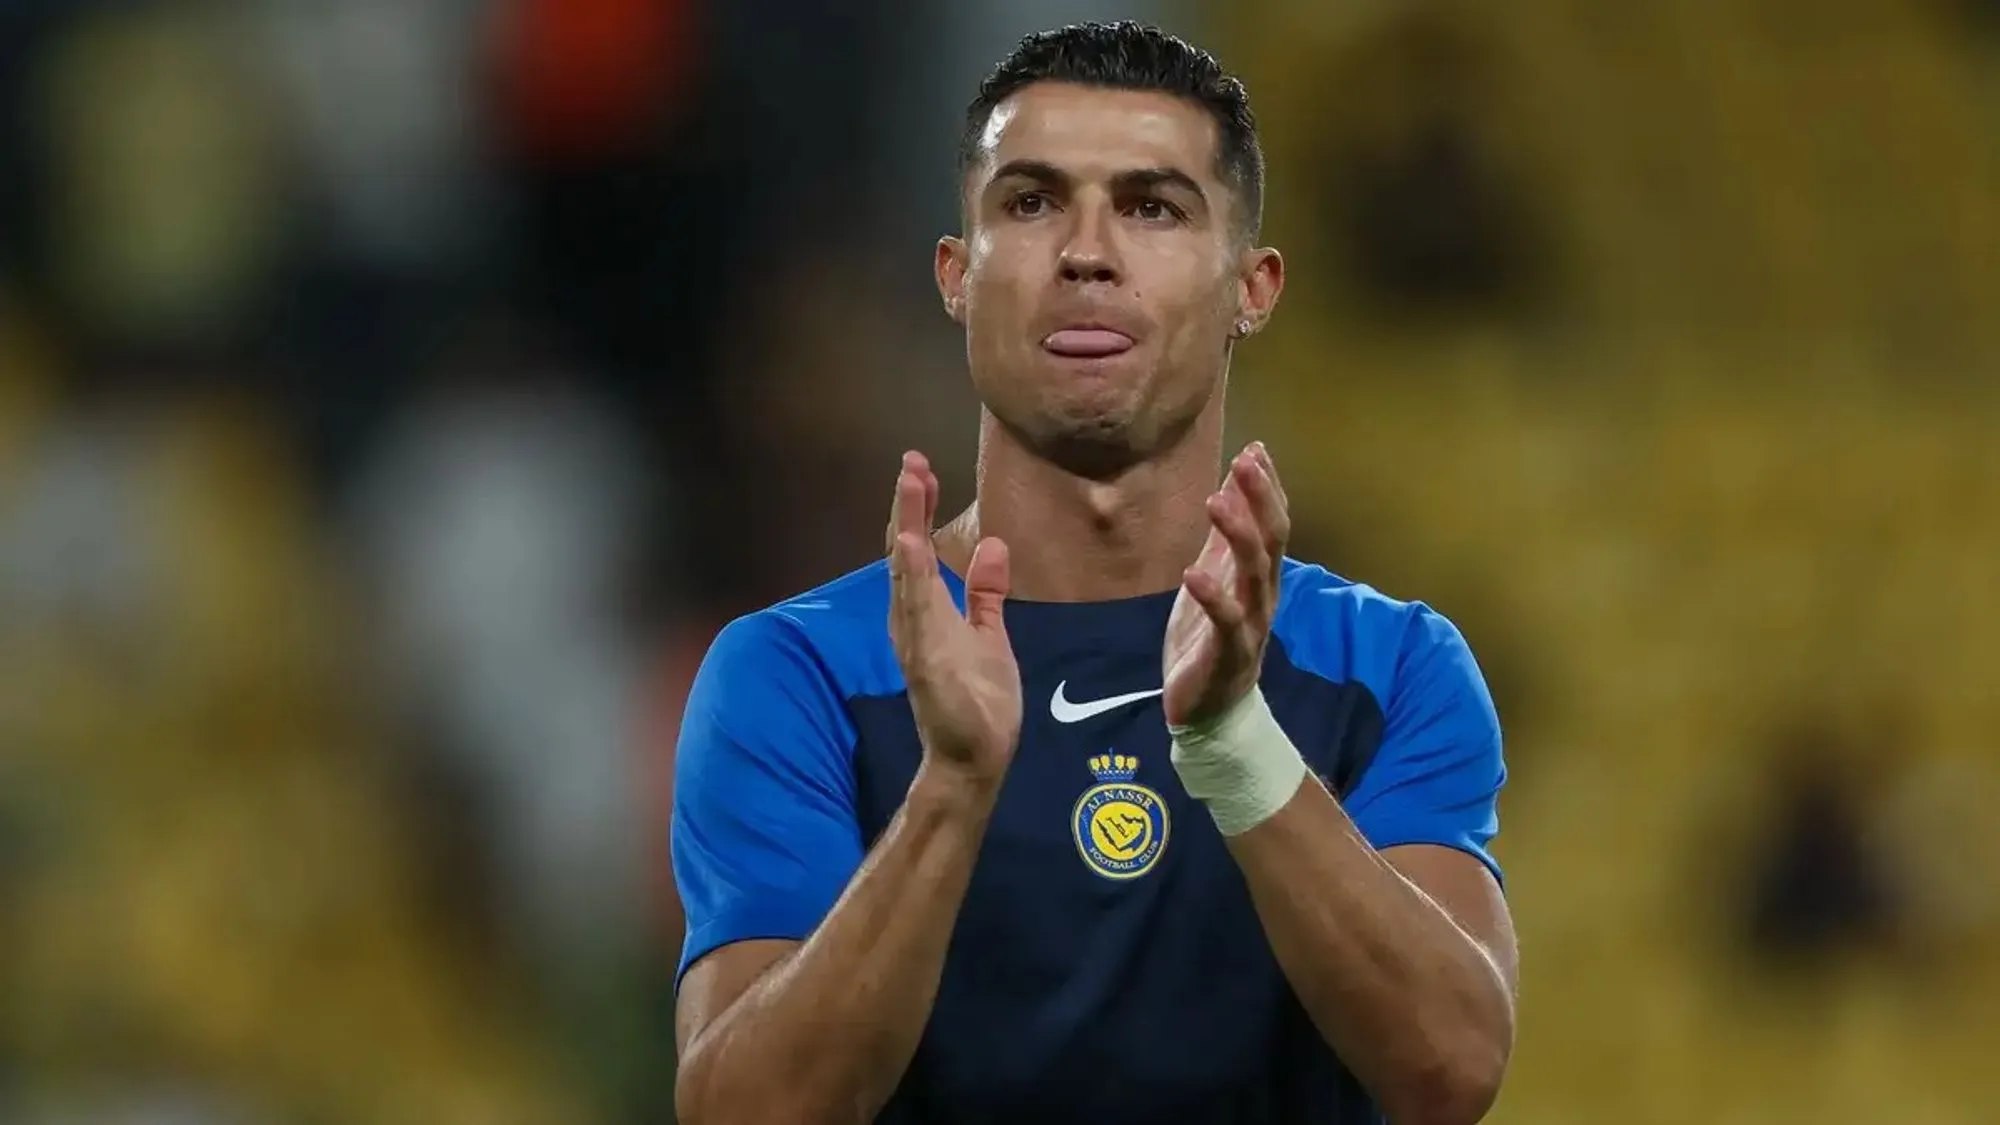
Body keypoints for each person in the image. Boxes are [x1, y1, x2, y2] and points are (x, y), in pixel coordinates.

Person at [669, 21, 1517, 1125]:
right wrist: (950, 791)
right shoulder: (799, 675)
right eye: (1028, 202)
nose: (1084, 250)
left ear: (1251, 288)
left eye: (1151, 207)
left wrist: (1234, 746)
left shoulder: (1387, 668)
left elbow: (1450, 1070)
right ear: (955, 276)